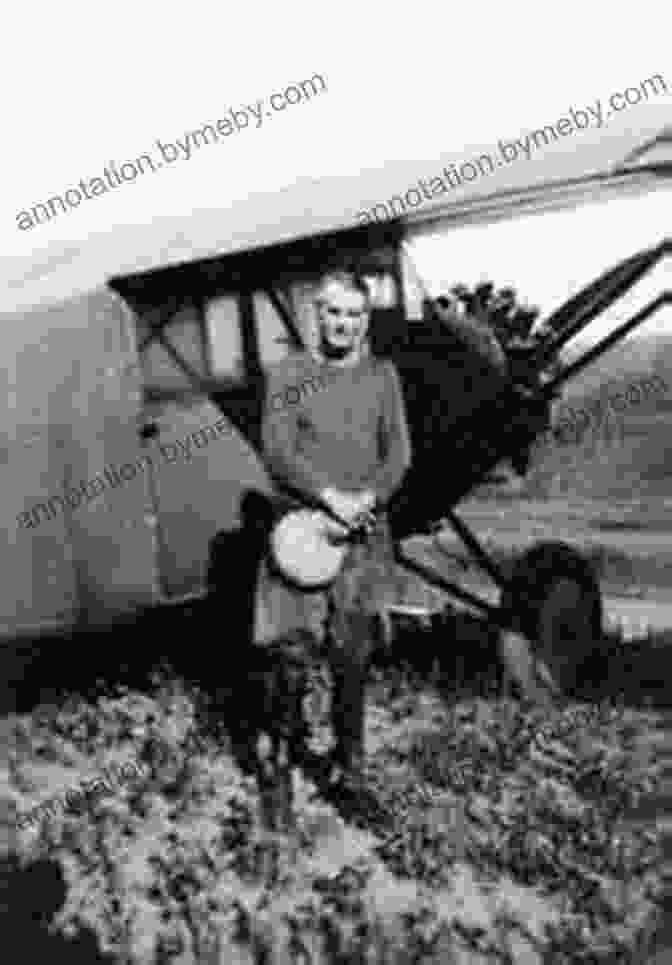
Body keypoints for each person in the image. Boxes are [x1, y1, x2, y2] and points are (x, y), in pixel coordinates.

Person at [253, 268, 412, 792]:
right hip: (302, 529)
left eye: (354, 314)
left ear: (366, 320)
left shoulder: (383, 376)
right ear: (316, 314)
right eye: (333, 312)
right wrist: (328, 498)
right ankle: (276, 764)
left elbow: (399, 455)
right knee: (289, 654)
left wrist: (367, 499)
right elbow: (278, 450)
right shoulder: (288, 374)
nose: (343, 324)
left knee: (352, 653)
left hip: (362, 533)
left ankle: (351, 766)